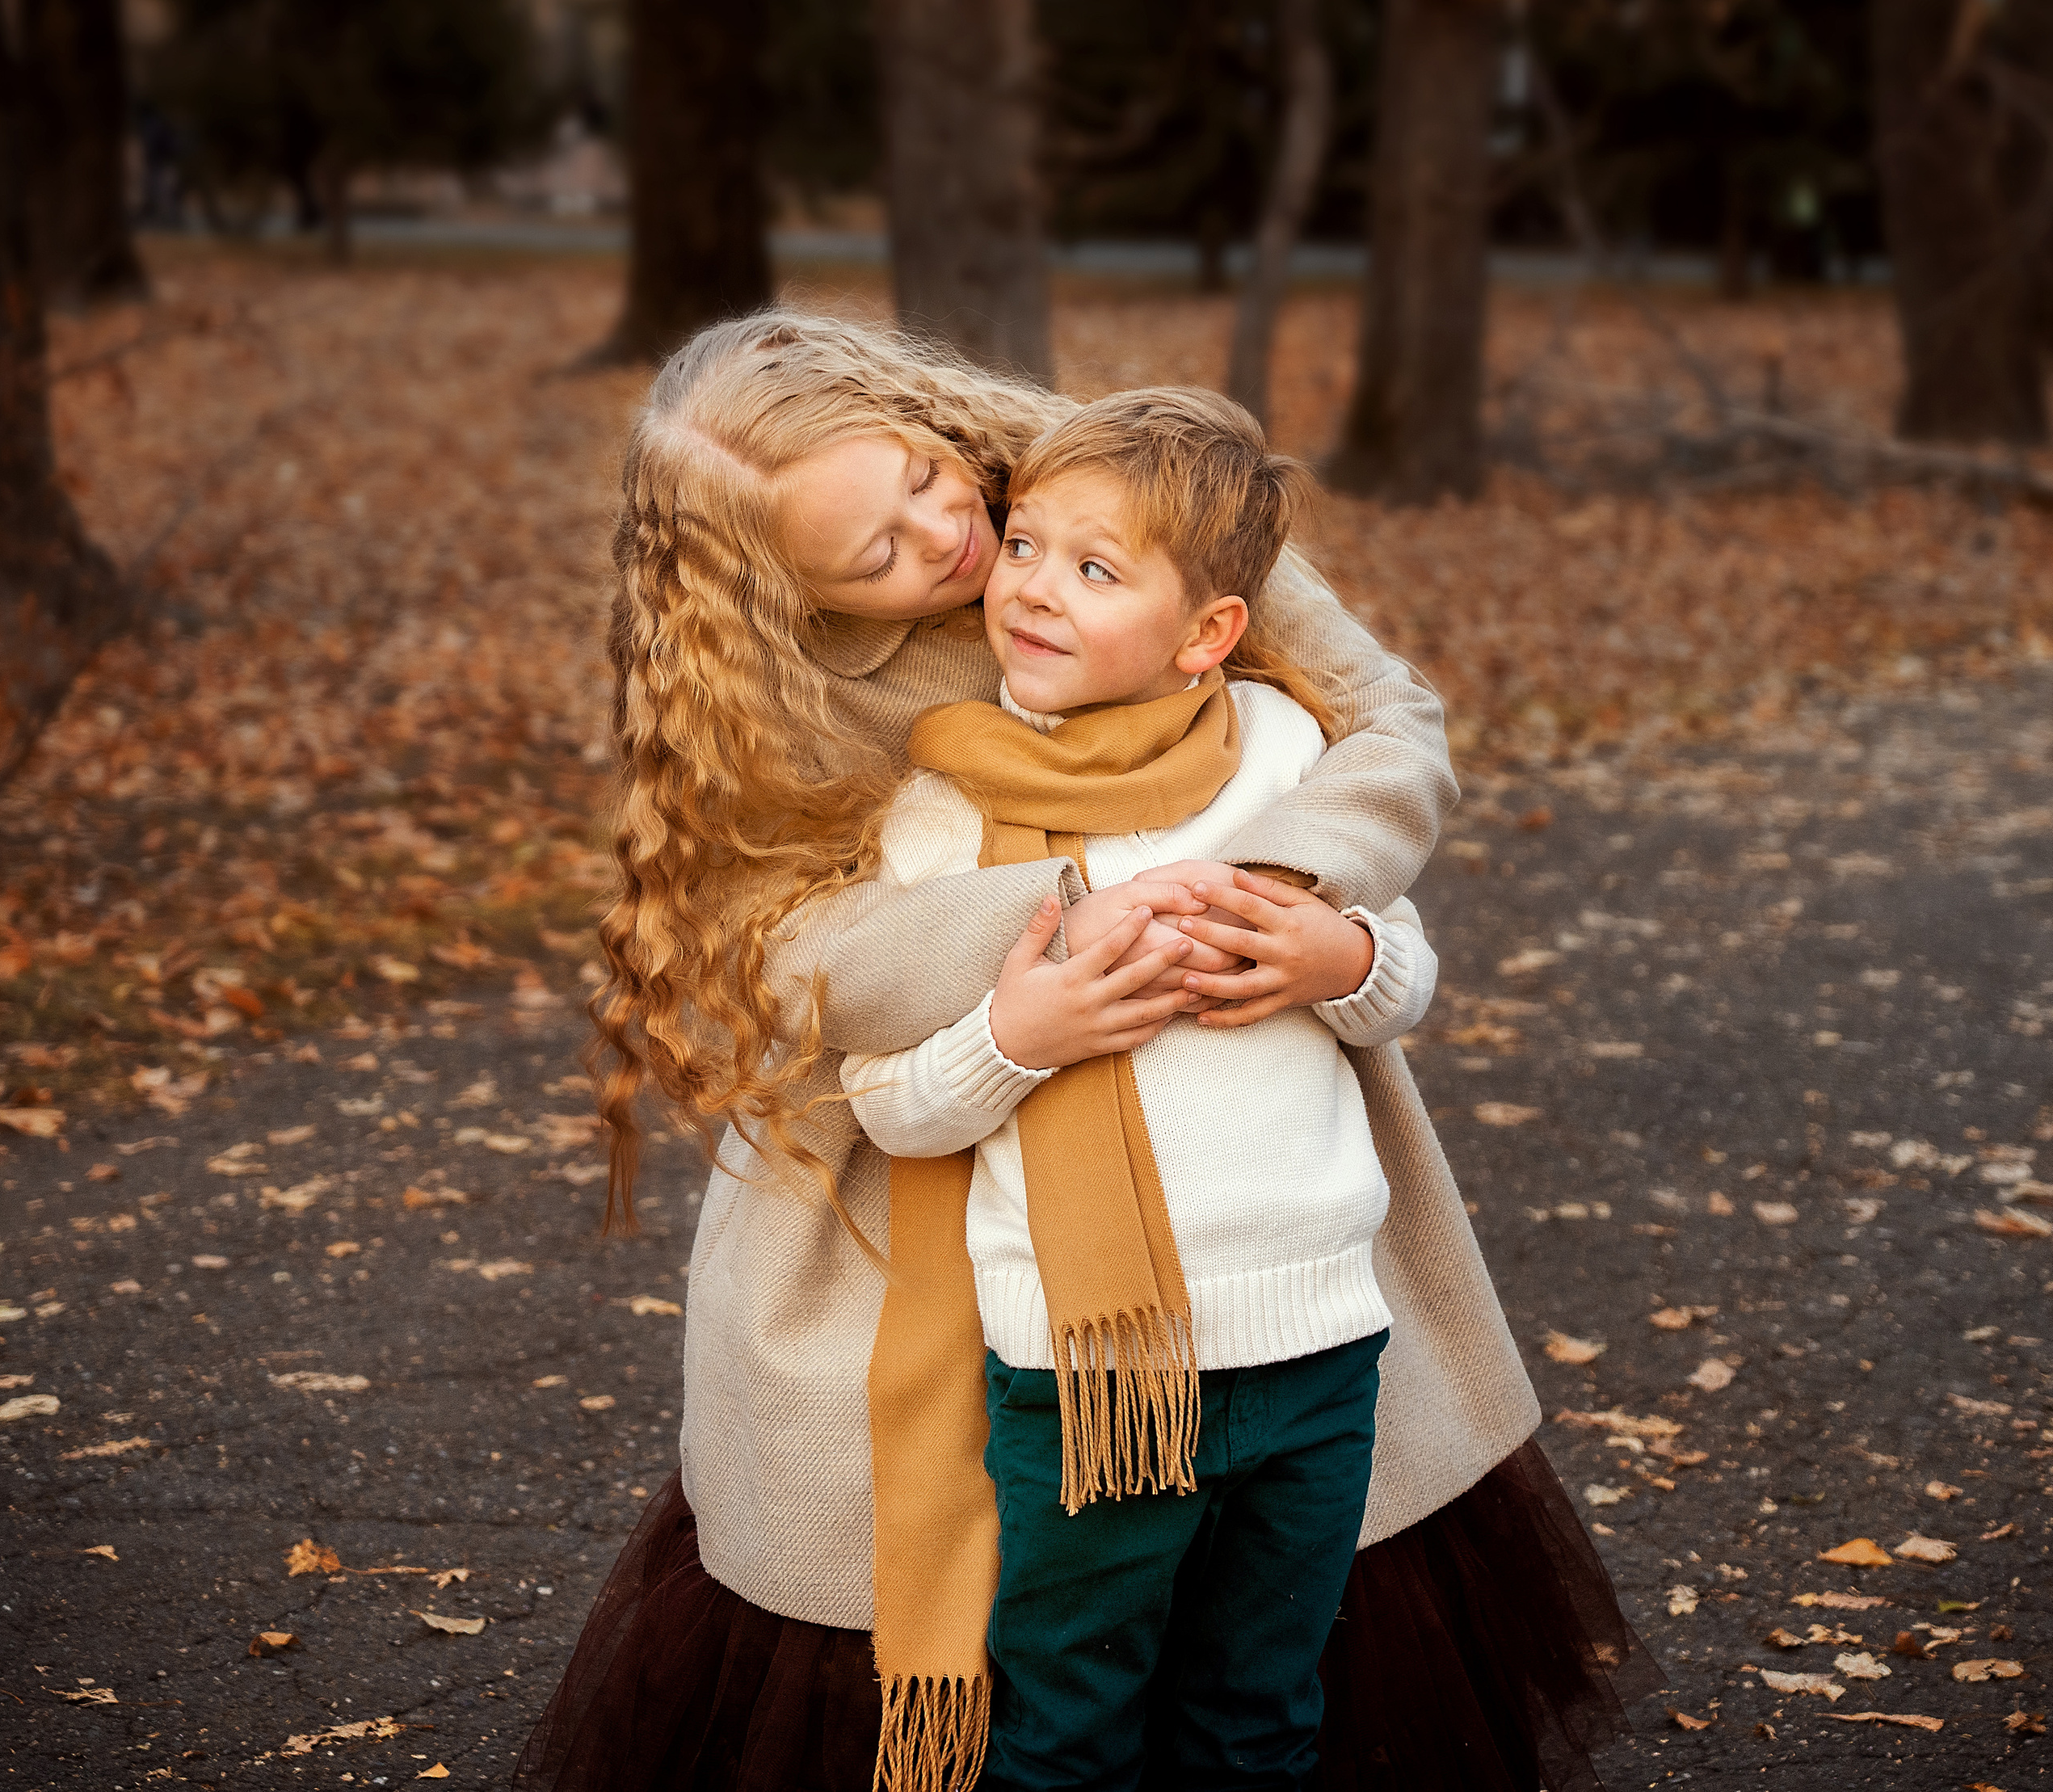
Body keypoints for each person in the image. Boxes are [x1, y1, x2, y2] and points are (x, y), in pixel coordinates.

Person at [515, 312, 1653, 1792]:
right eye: (878, 552)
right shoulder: (761, 688)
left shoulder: (1100, 497)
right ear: (781, 589)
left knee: (1277, 1636)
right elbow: (787, 957)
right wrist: (1055, 924)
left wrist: (1287, 895)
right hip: (930, 1129)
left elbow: (1388, 719)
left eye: (930, 476)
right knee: (997, 1612)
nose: (958, 540)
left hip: (1240, 1151)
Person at [840, 387, 1439, 1791]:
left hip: (1313, 1351)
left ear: (1207, 635)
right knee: (1066, 1734)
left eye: (1096, 571)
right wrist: (1019, 1031)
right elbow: (888, 1101)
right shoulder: (941, 813)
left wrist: (1334, 951)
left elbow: (1404, 975)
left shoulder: (1285, 756)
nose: (1033, 590)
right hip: (1081, 1376)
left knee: (1259, 1718)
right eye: (1030, 545)